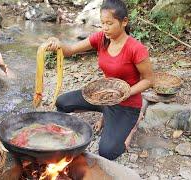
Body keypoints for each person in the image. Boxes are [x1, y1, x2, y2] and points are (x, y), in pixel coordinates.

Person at [45, 0, 154, 160]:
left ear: (124, 22)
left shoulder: (136, 49)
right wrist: (58, 44)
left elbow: (149, 80)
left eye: (109, 23)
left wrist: (126, 92)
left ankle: (134, 123)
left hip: (126, 105)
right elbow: (70, 51)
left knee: (107, 152)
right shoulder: (101, 38)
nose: (105, 28)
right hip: (102, 96)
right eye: (102, 23)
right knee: (62, 102)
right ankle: (104, 115)